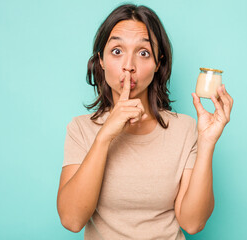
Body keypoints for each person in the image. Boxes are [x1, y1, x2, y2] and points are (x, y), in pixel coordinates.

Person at [57, 4, 233, 239]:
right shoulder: (80, 129)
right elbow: (71, 220)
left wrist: (207, 142)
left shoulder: (185, 128)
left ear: (158, 64)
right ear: (100, 60)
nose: (129, 65)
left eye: (143, 53)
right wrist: (105, 136)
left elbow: (192, 223)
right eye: (117, 51)